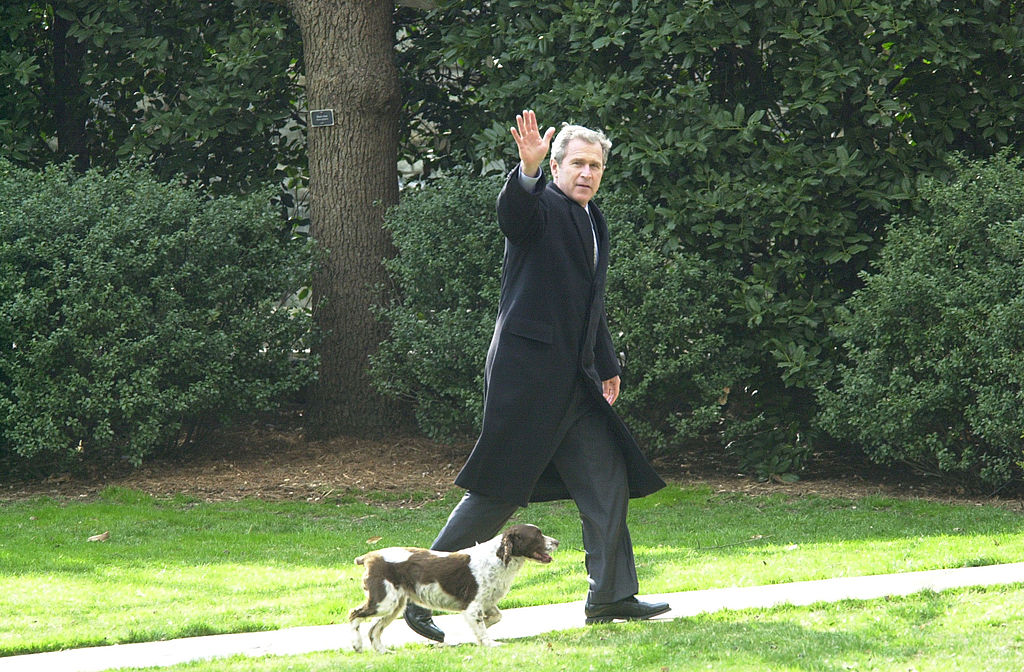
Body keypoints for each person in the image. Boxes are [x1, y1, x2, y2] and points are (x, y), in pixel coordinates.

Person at [404, 110, 669, 642]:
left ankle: (611, 595)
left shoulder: (593, 219)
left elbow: (588, 304)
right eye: (577, 163)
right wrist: (525, 173)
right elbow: (513, 216)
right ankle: (418, 592)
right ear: (555, 164)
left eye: (595, 165)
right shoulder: (541, 204)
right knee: (498, 490)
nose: (587, 173)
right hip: (528, 380)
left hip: (577, 383)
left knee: (606, 479)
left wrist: (608, 364)